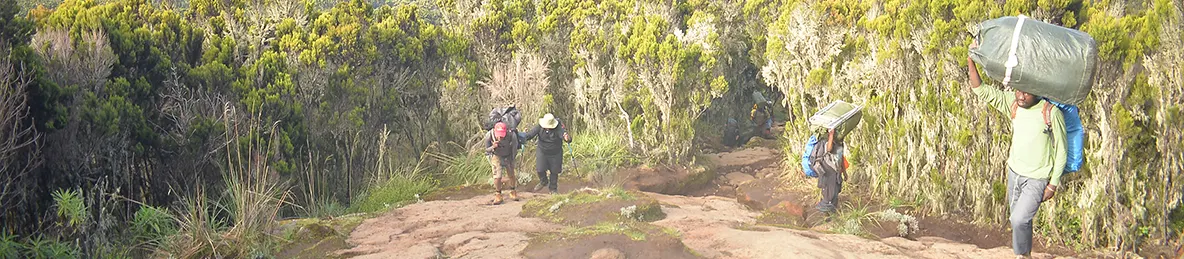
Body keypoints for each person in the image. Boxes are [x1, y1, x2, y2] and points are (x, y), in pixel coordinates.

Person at [968, 42, 1067, 259]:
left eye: (1027, 93)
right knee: (1020, 220)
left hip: (1037, 177)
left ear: (1039, 91)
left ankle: (1021, 255)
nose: (1021, 96)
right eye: (1018, 90)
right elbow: (980, 89)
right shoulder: (1013, 104)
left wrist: (1053, 183)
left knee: (1019, 219)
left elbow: (1061, 151)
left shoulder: (1051, 113)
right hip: (1014, 172)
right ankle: (1024, 255)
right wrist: (971, 59)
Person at [520, 113, 572, 194]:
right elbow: (530, 135)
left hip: (556, 153)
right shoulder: (539, 127)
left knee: (554, 171)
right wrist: (523, 136)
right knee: (540, 169)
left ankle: (553, 189)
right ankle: (543, 181)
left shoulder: (558, 127)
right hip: (542, 151)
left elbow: (564, 135)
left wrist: (566, 137)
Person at [809, 129, 848, 213]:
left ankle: (832, 213)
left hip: (836, 172)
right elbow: (829, 149)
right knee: (828, 195)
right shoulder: (826, 142)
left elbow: (841, 159)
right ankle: (825, 215)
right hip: (828, 172)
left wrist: (844, 173)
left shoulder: (839, 144)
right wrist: (831, 134)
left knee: (835, 192)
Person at [483, 122, 521, 205]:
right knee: (497, 176)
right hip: (496, 155)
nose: (500, 136)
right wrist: (493, 147)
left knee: (511, 174)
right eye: (499, 134)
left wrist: (512, 159)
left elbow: (514, 148)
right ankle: (498, 194)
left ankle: (513, 191)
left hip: (508, 155)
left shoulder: (512, 135)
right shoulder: (489, 135)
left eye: (502, 134)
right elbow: (486, 150)